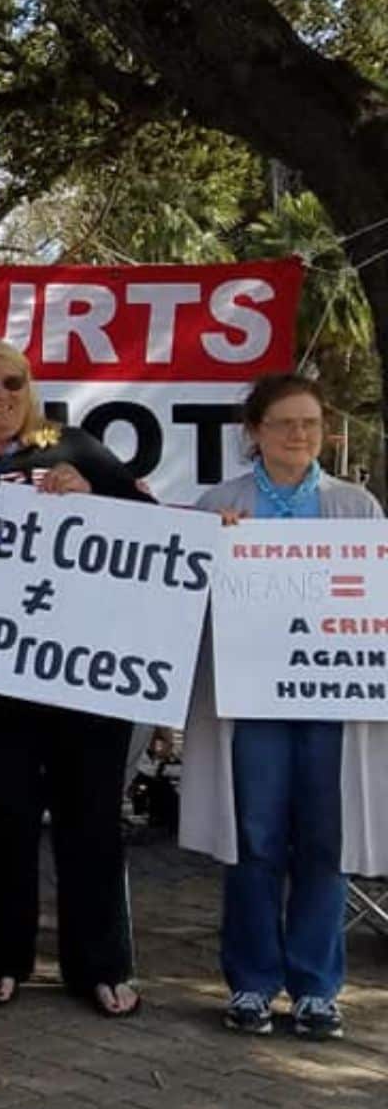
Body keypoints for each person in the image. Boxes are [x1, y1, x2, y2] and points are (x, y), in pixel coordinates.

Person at [0, 336, 147, 1018]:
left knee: (91, 824)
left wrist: (93, 501)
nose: (2, 398)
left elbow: (154, 537)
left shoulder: (73, 445)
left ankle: (100, 965)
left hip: (84, 682)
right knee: (2, 822)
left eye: (13, 383)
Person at [180, 373, 388, 1039]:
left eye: (310, 424)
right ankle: (250, 983)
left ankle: (317, 987)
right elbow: (181, 596)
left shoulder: (357, 508)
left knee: (326, 843)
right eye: (284, 424)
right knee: (256, 841)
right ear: (254, 433)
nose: (299, 436)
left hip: (330, 703)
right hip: (250, 706)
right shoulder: (219, 503)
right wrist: (212, 545)